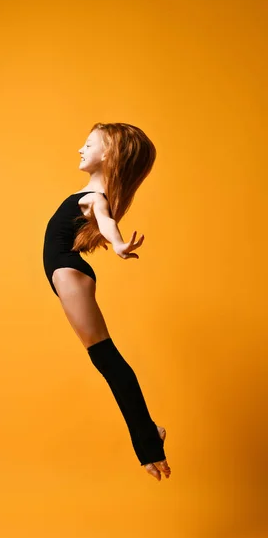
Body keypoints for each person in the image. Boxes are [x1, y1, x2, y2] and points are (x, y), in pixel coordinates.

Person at [42, 122, 171, 482]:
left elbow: (106, 221)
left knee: (107, 359)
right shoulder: (89, 194)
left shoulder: (95, 199)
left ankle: (149, 442)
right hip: (68, 275)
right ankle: (149, 434)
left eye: (88, 144)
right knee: (107, 360)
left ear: (109, 154)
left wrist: (117, 245)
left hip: (70, 275)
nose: (80, 150)